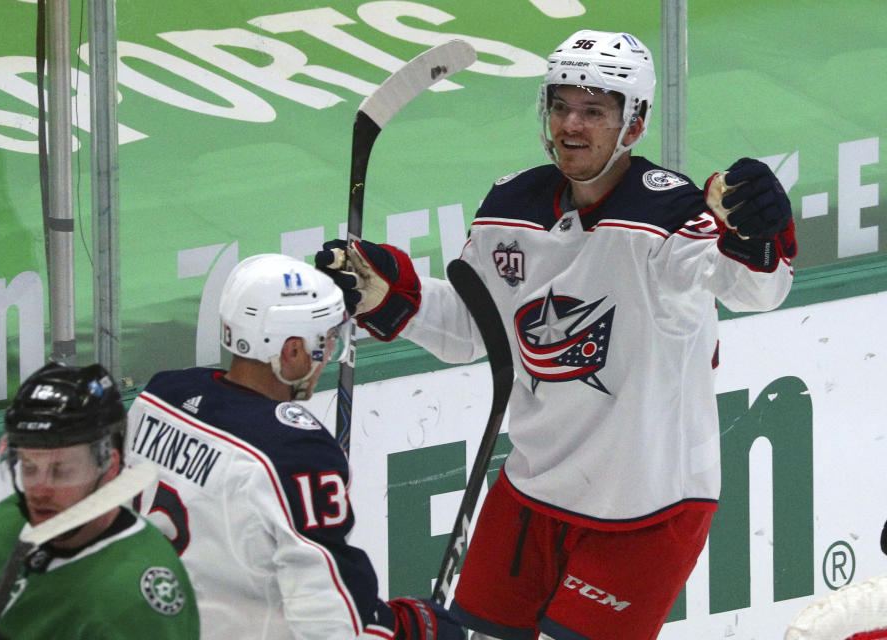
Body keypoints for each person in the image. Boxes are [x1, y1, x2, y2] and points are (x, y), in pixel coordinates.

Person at [316, 30, 797, 640]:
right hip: (533, 492)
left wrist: (756, 236)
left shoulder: (669, 216)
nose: (572, 124)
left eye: (594, 110)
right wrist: (388, 294)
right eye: (561, 105)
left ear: (635, 123)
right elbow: (477, 330)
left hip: (646, 511)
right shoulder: (509, 206)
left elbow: (755, 290)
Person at [124, 253, 464, 640]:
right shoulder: (294, 451)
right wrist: (409, 628)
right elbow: (332, 621)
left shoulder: (163, 393)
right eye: (325, 342)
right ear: (292, 351)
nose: (326, 357)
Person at [0, 362, 199, 639]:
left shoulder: (133, 600)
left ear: (108, 465)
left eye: (61, 470)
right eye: (29, 466)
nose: (40, 491)